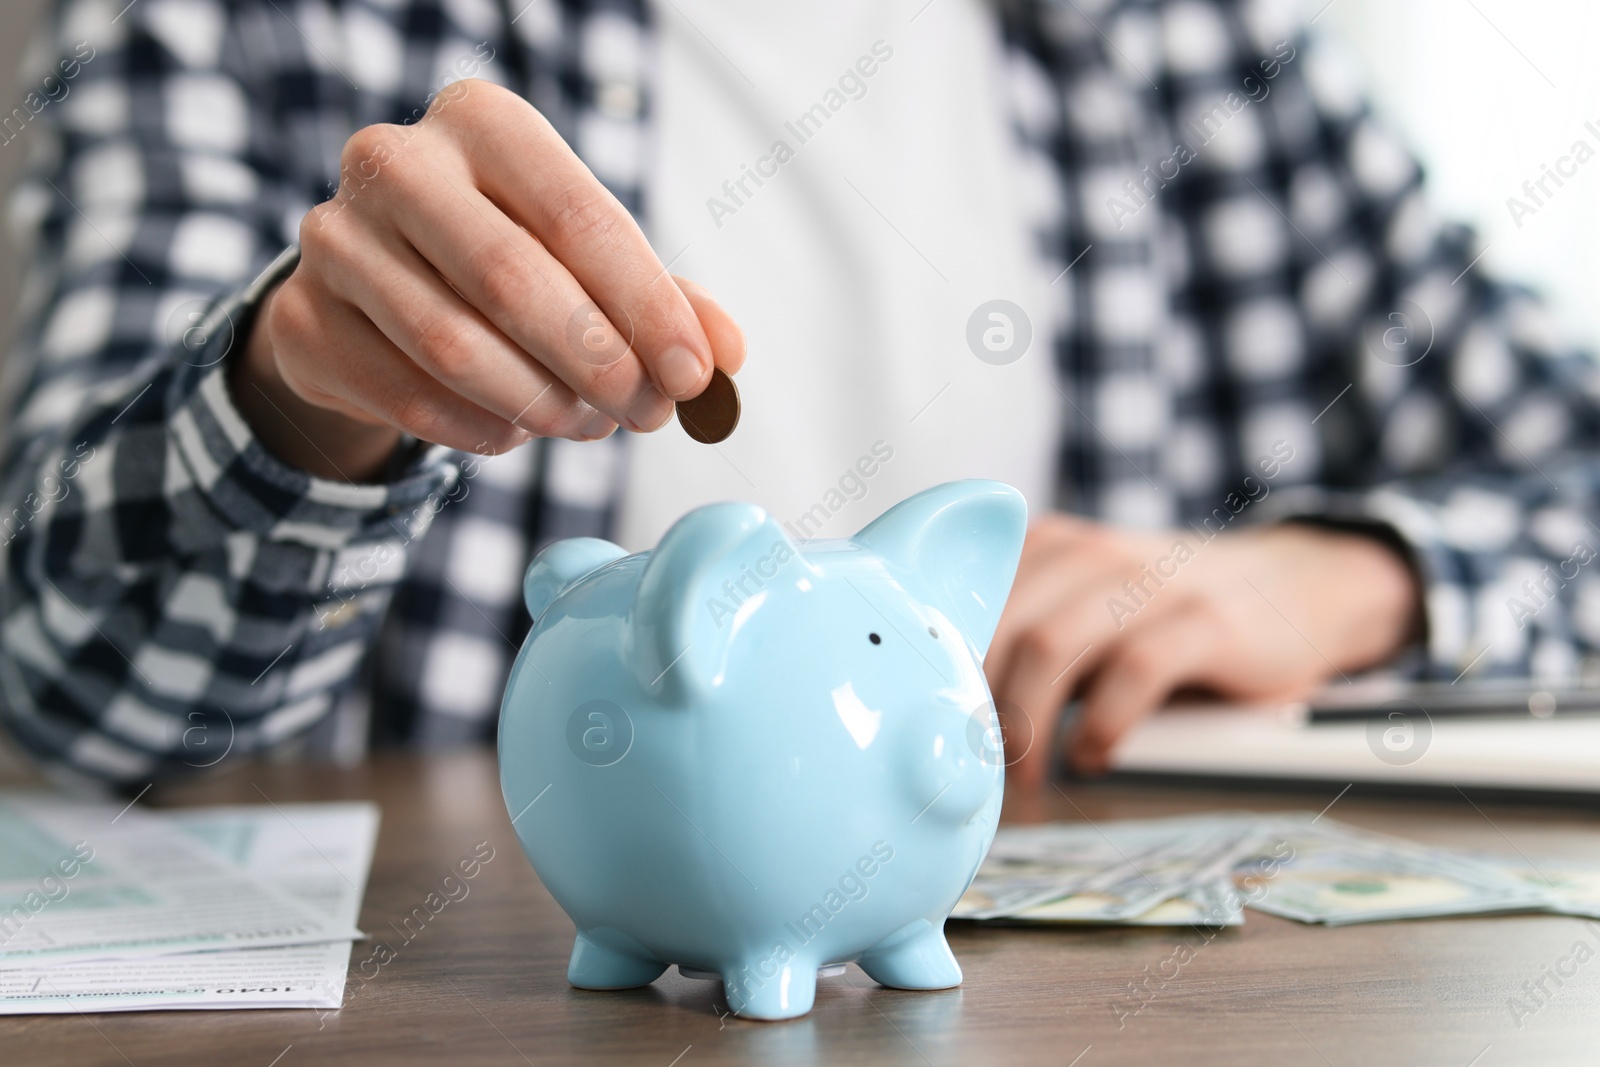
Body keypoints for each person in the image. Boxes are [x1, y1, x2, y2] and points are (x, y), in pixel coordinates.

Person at [1, 0, 1594, 790]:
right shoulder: (240, 21)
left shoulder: (1190, 44)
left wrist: (1361, 577)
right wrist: (300, 393)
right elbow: (70, 688)